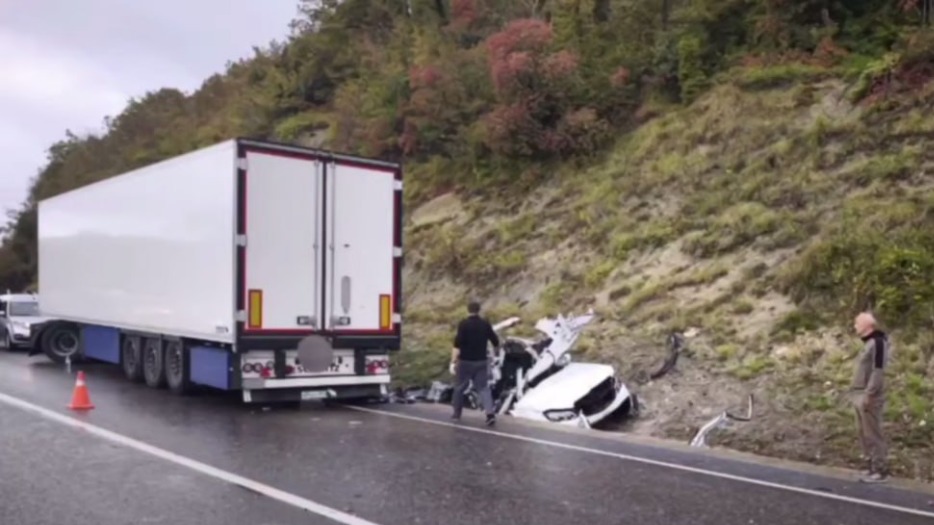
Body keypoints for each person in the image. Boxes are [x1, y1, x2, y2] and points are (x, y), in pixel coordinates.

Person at [850, 311, 891, 483]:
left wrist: (870, 393)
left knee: (873, 433)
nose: (855, 326)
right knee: (863, 433)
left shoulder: (878, 342)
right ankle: (869, 466)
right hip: (859, 393)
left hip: (869, 395)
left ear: (867, 325)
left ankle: (880, 470)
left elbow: (878, 370)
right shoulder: (868, 344)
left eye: (857, 323)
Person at [450, 300, 500, 426]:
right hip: (481, 361)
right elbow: (495, 341)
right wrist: (496, 354)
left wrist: (453, 361)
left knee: (460, 387)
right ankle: (490, 414)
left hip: (465, 361)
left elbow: (457, 344)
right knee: (483, 388)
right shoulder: (485, 324)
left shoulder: (463, 324)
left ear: (468, 310)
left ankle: (457, 413)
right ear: (479, 310)